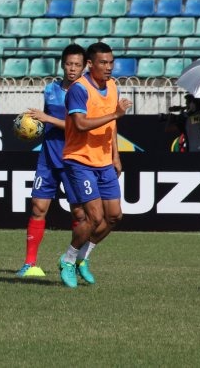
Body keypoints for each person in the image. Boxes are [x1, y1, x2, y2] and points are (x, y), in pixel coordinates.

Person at [59, 43, 133, 288]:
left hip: (103, 161)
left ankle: (82, 258)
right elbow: (80, 124)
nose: (109, 67)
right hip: (79, 160)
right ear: (90, 64)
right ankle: (68, 260)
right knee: (93, 217)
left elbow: (111, 127)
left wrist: (116, 156)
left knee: (114, 216)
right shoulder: (79, 89)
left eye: (111, 62)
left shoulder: (112, 86)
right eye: (103, 62)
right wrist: (115, 115)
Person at [16, 45, 87, 278]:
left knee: (78, 214)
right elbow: (45, 123)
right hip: (47, 158)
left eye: (77, 65)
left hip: (73, 159)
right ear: (62, 64)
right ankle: (30, 264)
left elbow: (80, 126)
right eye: (69, 64)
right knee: (38, 208)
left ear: (85, 67)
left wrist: (47, 118)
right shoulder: (50, 89)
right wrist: (34, 126)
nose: (72, 69)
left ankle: (74, 261)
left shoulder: (85, 92)